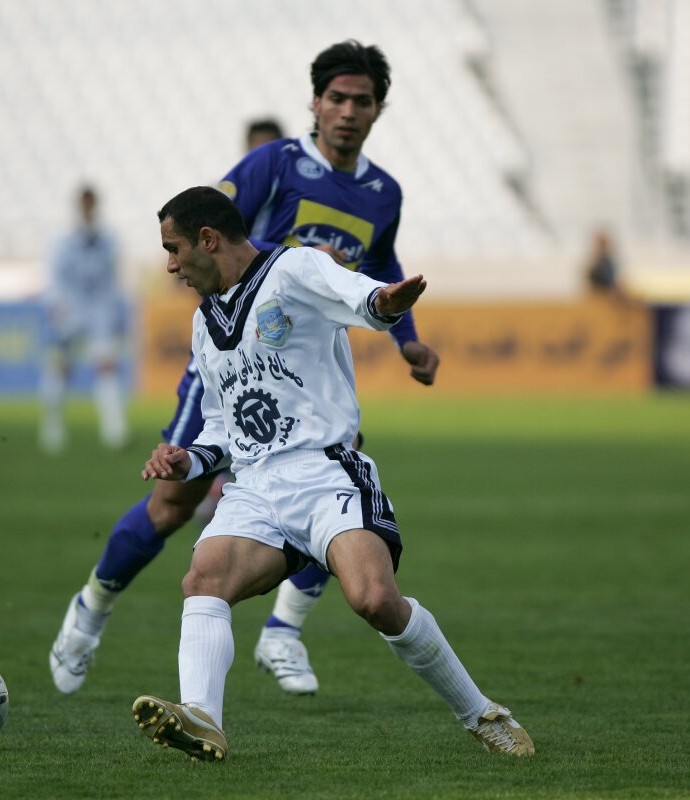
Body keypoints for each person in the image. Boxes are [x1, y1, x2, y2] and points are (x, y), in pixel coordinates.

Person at [49, 39, 440, 698]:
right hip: (234, 358)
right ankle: (89, 611)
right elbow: (212, 218)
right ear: (315, 103)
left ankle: (283, 632)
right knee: (171, 504)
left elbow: (382, 264)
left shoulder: (382, 193)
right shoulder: (275, 164)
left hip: (305, 368)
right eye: (337, 98)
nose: (348, 111)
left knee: (331, 483)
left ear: (378, 110)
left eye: (362, 101)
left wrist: (408, 340)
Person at [130, 186, 533, 761]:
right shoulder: (204, 322)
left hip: (325, 472)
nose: (171, 265)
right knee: (203, 578)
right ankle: (202, 717)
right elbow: (222, 427)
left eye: (173, 249)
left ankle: (482, 713)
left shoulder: (295, 269)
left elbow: (362, 298)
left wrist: (387, 304)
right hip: (256, 485)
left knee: (375, 599)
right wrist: (187, 459)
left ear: (208, 240)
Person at [38, 185, 130, 453]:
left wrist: (114, 312)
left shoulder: (108, 240)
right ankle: (52, 425)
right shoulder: (62, 241)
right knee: (61, 366)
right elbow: (55, 278)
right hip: (70, 310)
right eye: (84, 204)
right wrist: (56, 307)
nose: (88, 209)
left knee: (106, 365)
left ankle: (114, 430)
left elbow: (112, 279)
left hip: (99, 311)